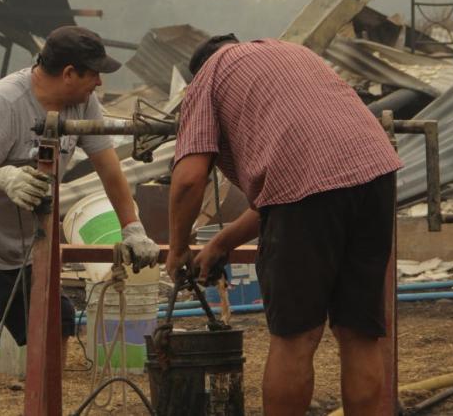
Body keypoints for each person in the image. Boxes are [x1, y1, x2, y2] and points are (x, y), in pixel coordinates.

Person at [0, 26, 159, 415]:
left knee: (57, 321)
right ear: (68, 73)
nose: (99, 82)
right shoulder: (4, 102)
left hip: (25, 245)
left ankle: (43, 407)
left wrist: (133, 227)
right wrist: (3, 177)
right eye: (93, 74)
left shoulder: (81, 103)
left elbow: (108, 167)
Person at [165, 34, 402, 415]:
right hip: (375, 171)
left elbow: (189, 179)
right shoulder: (290, 53)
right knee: (359, 333)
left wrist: (177, 249)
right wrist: (221, 243)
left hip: (312, 189)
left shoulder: (208, 78)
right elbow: (291, 191)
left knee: (296, 336)